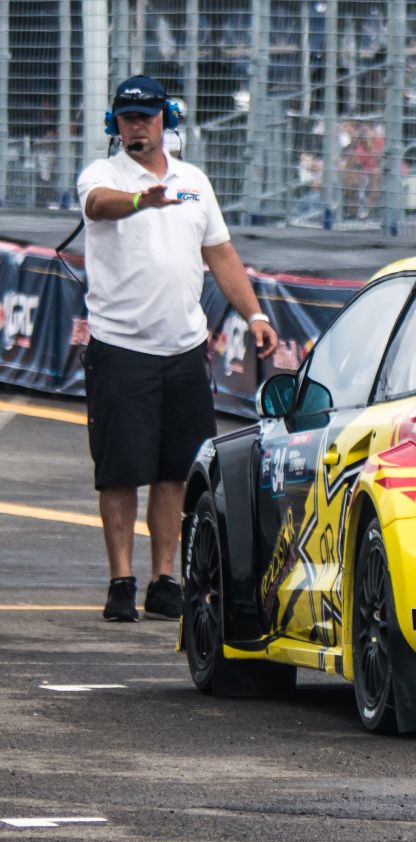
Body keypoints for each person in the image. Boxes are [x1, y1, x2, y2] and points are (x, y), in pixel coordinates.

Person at [75, 76, 280, 622]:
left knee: (174, 471)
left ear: (165, 119)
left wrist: (254, 314)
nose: (135, 126)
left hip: (184, 348)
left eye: (144, 117)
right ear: (113, 124)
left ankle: (164, 577)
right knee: (118, 472)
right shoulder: (104, 175)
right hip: (121, 346)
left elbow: (222, 255)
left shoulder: (194, 182)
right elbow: (98, 206)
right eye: (126, 118)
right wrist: (142, 198)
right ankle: (121, 579)